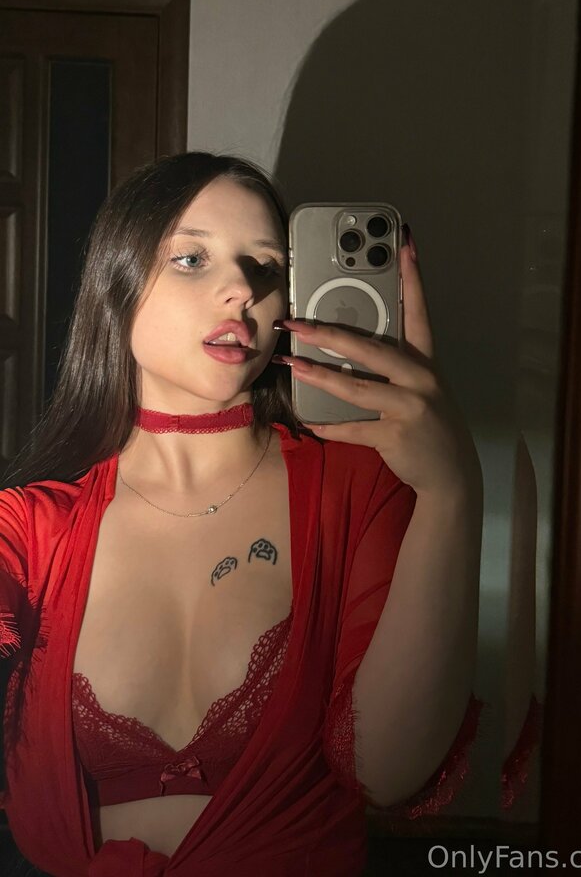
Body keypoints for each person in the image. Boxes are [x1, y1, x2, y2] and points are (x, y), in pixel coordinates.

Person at [0, 152, 485, 876]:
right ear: (115, 282)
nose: (242, 289)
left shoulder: (357, 488)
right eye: (191, 258)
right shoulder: (31, 528)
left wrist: (452, 493)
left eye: (266, 265)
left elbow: (389, 770)